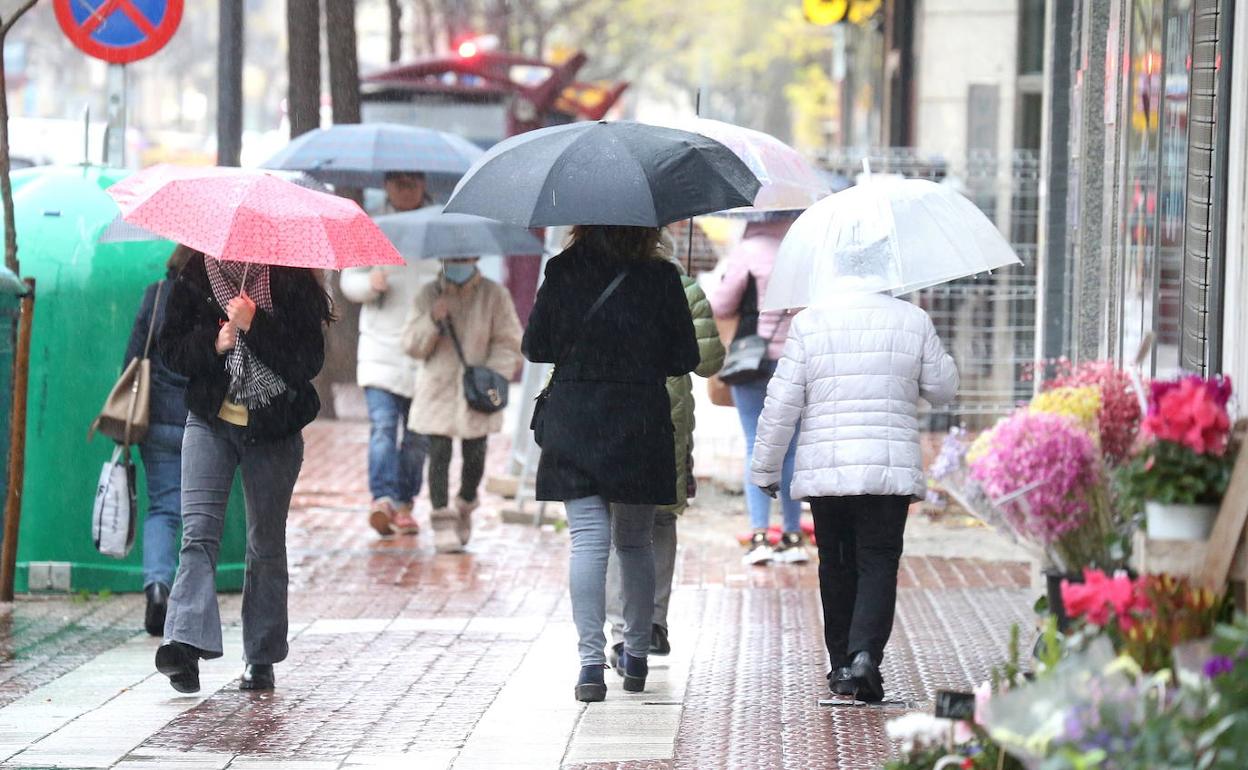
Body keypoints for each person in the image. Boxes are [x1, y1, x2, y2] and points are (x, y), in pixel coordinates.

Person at [749, 243, 958, 702]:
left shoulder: (810, 322)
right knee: (879, 560)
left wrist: (765, 466)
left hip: (829, 469)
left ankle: (842, 664)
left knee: (837, 563)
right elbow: (943, 389)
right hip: (888, 469)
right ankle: (866, 656)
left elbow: (782, 403)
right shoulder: (912, 319)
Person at [523, 226, 699, 703]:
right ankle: (637, 655)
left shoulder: (563, 271)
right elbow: (686, 355)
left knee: (588, 540)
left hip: (576, 415)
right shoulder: (662, 277)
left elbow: (536, 346)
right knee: (635, 541)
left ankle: (589, 665)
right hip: (639, 420)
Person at [154, 246, 332, 694]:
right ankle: (185, 647)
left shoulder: (291, 277)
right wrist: (215, 344)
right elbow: (170, 350)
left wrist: (256, 326)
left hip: (274, 428)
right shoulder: (196, 271)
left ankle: (262, 656)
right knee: (197, 534)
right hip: (210, 421)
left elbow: (307, 362)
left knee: (265, 545)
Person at [605, 249, 724, 666]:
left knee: (614, 524)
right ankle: (653, 622)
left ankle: (622, 630)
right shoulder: (682, 284)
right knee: (660, 518)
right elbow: (709, 362)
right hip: (669, 419)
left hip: (608, 417)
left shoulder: (595, 279)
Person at [401, 257, 522, 554]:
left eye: (463, 258)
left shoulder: (494, 295)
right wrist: (432, 318)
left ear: (475, 258)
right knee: (438, 453)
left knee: (475, 456)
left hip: (477, 391)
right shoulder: (428, 294)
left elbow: (510, 342)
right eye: (452, 258)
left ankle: (465, 506)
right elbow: (410, 345)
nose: (458, 263)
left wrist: (490, 376)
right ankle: (442, 520)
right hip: (438, 389)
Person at [340, 171, 437, 537]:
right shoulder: (371, 226)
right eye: (397, 184)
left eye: (411, 184)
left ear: (423, 185)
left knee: (417, 436)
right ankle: (382, 498)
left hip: (425, 350)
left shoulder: (439, 228)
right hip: (380, 349)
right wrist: (370, 284)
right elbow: (349, 281)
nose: (404, 191)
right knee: (383, 427)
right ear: (386, 186)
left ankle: (404, 502)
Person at [709, 215, 806, 566]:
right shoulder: (803, 251)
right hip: (794, 360)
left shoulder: (748, 250)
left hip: (753, 360)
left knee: (756, 445)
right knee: (792, 450)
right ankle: (793, 536)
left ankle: (760, 535)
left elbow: (721, 305)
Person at [124, 247, 191, 637]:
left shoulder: (155, 295)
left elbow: (132, 358)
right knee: (199, 519)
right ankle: (190, 601)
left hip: (156, 420)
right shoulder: (212, 301)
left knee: (162, 510)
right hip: (199, 423)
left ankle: (156, 588)